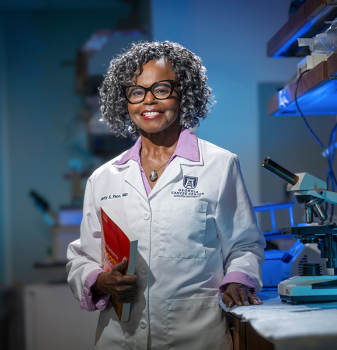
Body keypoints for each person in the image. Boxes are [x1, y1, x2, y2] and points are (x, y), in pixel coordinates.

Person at [66, 41, 265, 350]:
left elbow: (244, 245)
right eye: (136, 92)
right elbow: (82, 258)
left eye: (161, 89)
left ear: (183, 92)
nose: (148, 101)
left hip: (196, 335)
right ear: (125, 102)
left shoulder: (219, 165)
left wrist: (238, 279)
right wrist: (101, 281)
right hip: (120, 338)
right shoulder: (103, 178)